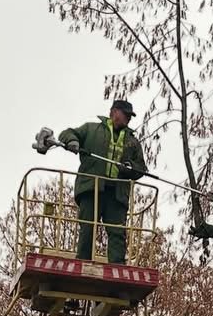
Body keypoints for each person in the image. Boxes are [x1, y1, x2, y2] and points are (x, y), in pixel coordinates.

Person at [58, 100, 147, 265]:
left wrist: (130, 167)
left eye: (129, 116)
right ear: (113, 112)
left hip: (117, 194)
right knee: (87, 227)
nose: (128, 118)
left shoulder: (132, 142)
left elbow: (141, 168)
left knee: (117, 232)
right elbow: (67, 133)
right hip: (92, 188)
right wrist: (72, 141)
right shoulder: (91, 129)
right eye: (125, 114)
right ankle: (82, 262)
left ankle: (117, 267)